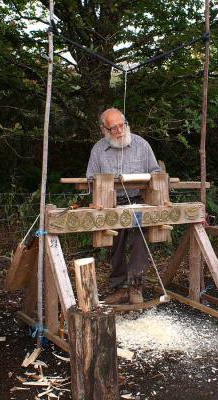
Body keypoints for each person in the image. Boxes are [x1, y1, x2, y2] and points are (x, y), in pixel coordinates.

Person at [86, 108, 161, 304]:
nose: (119, 131)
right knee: (114, 244)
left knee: (139, 241)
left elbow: (156, 172)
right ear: (105, 129)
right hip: (110, 204)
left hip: (138, 202)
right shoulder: (98, 150)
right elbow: (89, 179)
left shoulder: (142, 145)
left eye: (122, 125)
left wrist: (151, 181)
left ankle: (135, 287)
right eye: (114, 128)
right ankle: (119, 288)